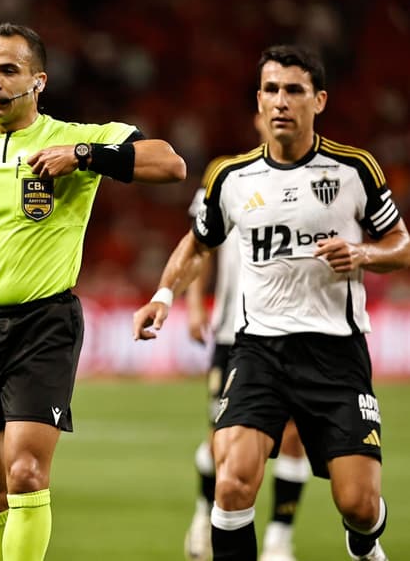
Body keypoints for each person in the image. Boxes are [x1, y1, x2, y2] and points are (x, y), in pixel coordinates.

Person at [0, 23, 186, 561]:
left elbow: (170, 163)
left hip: (44, 325)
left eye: (7, 71)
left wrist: (86, 156)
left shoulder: (71, 138)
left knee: (25, 470)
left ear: (37, 81)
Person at [134, 44, 410, 561]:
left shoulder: (355, 170)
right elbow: (198, 243)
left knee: (358, 503)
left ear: (319, 100)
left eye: (294, 90)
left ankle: (365, 537)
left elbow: (402, 245)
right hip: (258, 350)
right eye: (271, 90)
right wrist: (164, 294)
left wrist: (363, 252)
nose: (280, 101)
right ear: (258, 101)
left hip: (336, 354)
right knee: (233, 482)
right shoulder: (232, 179)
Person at [183, 115, 310, 561]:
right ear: (256, 116)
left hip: (297, 330)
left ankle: (279, 539)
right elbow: (200, 244)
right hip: (234, 330)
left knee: (294, 434)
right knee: (223, 435)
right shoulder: (229, 173)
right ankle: (205, 513)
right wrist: (196, 302)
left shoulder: (321, 176)